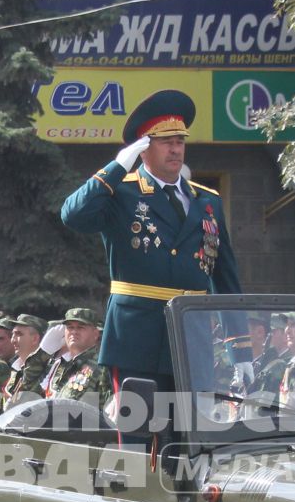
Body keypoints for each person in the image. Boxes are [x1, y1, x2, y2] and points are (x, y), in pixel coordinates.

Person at [60, 89, 241, 390]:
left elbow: (225, 277)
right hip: (135, 334)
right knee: (138, 431)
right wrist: (117, 167)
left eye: (180, 141)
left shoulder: (207, 200)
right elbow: (73, 215)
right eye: (165, 142)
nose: (175, 150)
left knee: (190, 433)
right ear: (143, 148)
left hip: (191, 335)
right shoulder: (121, 192)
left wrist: (240, 349)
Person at [47, 309, 110, 404]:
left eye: (80, 328)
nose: (74, 332)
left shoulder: (102, 367)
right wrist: (43, 352)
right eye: (70, 327)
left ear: (95, 334)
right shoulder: (59, 365)